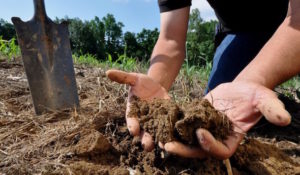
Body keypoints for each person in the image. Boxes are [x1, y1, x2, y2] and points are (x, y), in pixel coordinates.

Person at [106, 0, 300, 159]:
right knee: (219, 106)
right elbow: (171, 39)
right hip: (241, 31)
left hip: (292, 17)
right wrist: (152, 95)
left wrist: (256, 78)